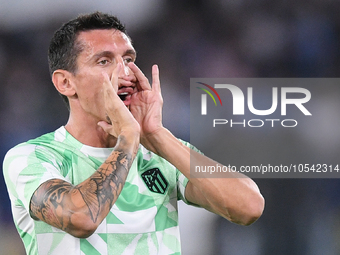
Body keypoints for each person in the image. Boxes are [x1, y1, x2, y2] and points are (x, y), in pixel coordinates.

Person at [3, 12, 264, 255]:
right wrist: (128, 137)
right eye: (104, 61)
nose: (125, 73)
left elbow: (249, 207)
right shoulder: (33, 157)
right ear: (65, 82)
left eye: (128, 60)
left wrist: (156, 134)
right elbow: (81, 218)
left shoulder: (160, 153)